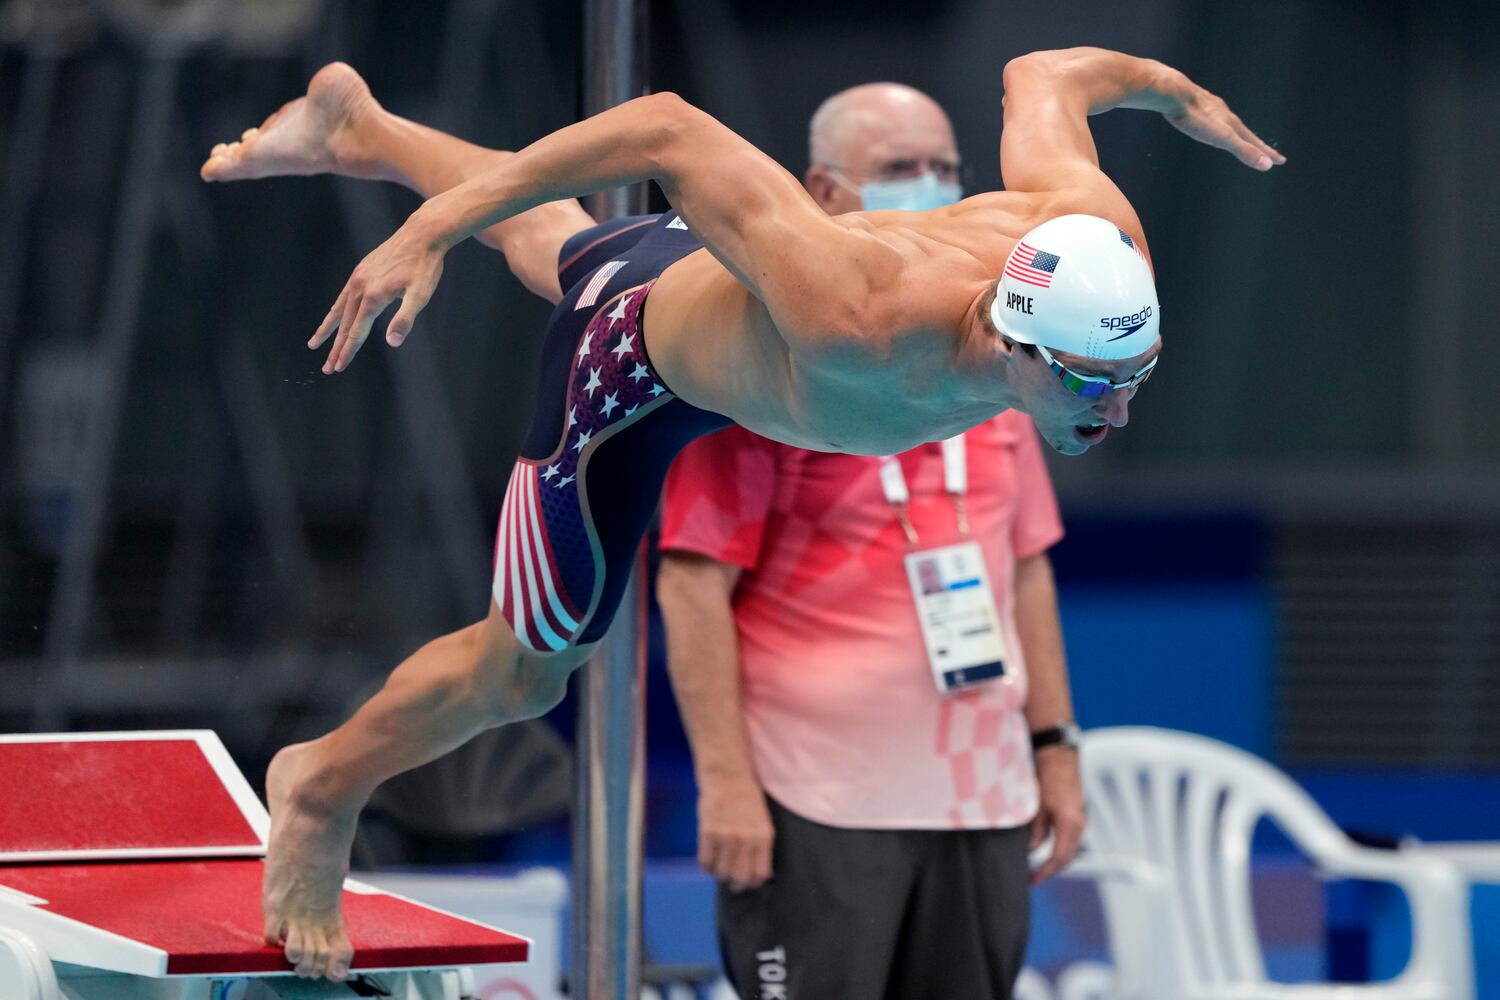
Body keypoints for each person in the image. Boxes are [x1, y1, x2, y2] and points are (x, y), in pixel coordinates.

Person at [201, 46, 1282, 980]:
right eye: (1093, 385)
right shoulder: (855, 312)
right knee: (522, 673)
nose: (1121, 410)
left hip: (717, 298)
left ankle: (365, 126)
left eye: (1134, 373)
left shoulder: (1091, 228)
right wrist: (430, 230)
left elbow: (1046, 75)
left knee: (564, 242)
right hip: (629, 372)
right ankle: (321, 785)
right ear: (1007, 337)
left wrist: (1184, 101)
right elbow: (666, 125)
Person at [655, 81, 1080, 999]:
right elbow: (691, 586)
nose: (929, 185)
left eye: (944, 167)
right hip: (818, 795)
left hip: (980, 790)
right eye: (898, 169)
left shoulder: (1010, 355)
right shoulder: (770, 360)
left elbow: (1026, 568)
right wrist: (725, 784)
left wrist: (1053, 745)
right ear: (824, 191)